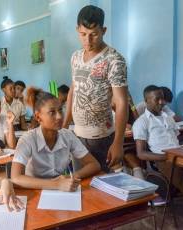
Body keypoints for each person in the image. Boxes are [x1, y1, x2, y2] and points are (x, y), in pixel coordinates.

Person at [63, 5, 128, 173]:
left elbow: (121, 102)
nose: (88, 41)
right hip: (77, 136)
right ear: (77, 29)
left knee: (107, 189)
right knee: (81, 186)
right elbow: (73, 90)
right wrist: (64, 126)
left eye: (94, 35)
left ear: (104, 30)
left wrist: (118, 143)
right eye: (83, 34)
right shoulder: (76, 57)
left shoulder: (114, 59)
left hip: (102, 138)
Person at [10, 87, 101, 191]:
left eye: (60, 110)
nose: (59, 117)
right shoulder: (27, 139)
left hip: (63, 189)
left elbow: (94, 165)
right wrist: (56, 184)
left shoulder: (68, 135)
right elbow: (16, 178)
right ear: (38, 117)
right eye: (52, 112)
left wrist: (72, 176)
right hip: (35, 190)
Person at [132, 86, 183, 216]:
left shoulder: (168, 117)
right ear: (147, 101)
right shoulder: (141, 122)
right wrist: (167, 157)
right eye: (157, 99)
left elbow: (175, 139)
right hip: (164, 160)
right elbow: (141, 154)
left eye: (162, 98)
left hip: (180, 156)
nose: (162, 102)